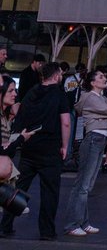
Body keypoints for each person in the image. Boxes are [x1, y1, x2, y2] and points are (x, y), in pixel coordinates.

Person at [1, 61, 71, 242]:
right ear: (56, 76)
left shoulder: (32, 91)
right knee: (50, 191)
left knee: (18, 187)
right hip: (50, 148)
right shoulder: (59, 93)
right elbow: (65, 121)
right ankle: (47, 231)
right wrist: (65, 145)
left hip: (29, 146)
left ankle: (5, 225)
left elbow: (21, 115)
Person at [62, 68, 107, 237]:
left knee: (87, 185)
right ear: (92, 82)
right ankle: (72, 224)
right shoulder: (90, 97)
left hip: (99, 140)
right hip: (93, 139)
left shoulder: (100, 97)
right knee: (83, 185)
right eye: (100, 76)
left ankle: (83, 222)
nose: (104, 78)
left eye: (104, 76)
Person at [0, 78, 19, 151]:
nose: (15, 94)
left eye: (15, 90)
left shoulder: (5, 116)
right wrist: (22, 138)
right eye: (11, 91)